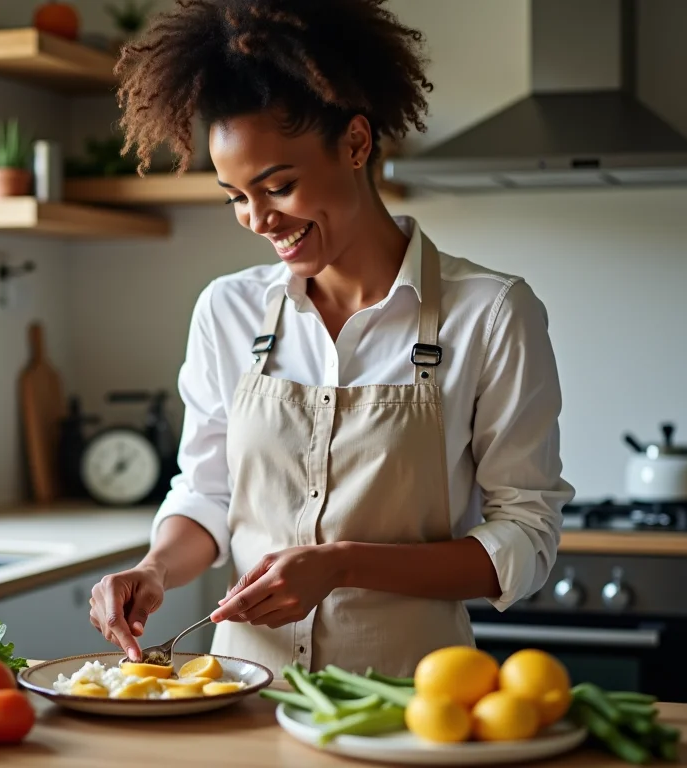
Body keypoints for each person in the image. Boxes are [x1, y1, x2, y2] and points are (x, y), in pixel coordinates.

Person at [88, 0, 575, 676]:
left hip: (412, 706)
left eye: (278, 186)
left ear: (355, 144)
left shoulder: (490, 314)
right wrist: (154, 568)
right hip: (245, 699)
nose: (258, 219)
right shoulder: (227, 311)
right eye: (234, 196)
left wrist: (344, 565)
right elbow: (206, 495)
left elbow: (526, 537)